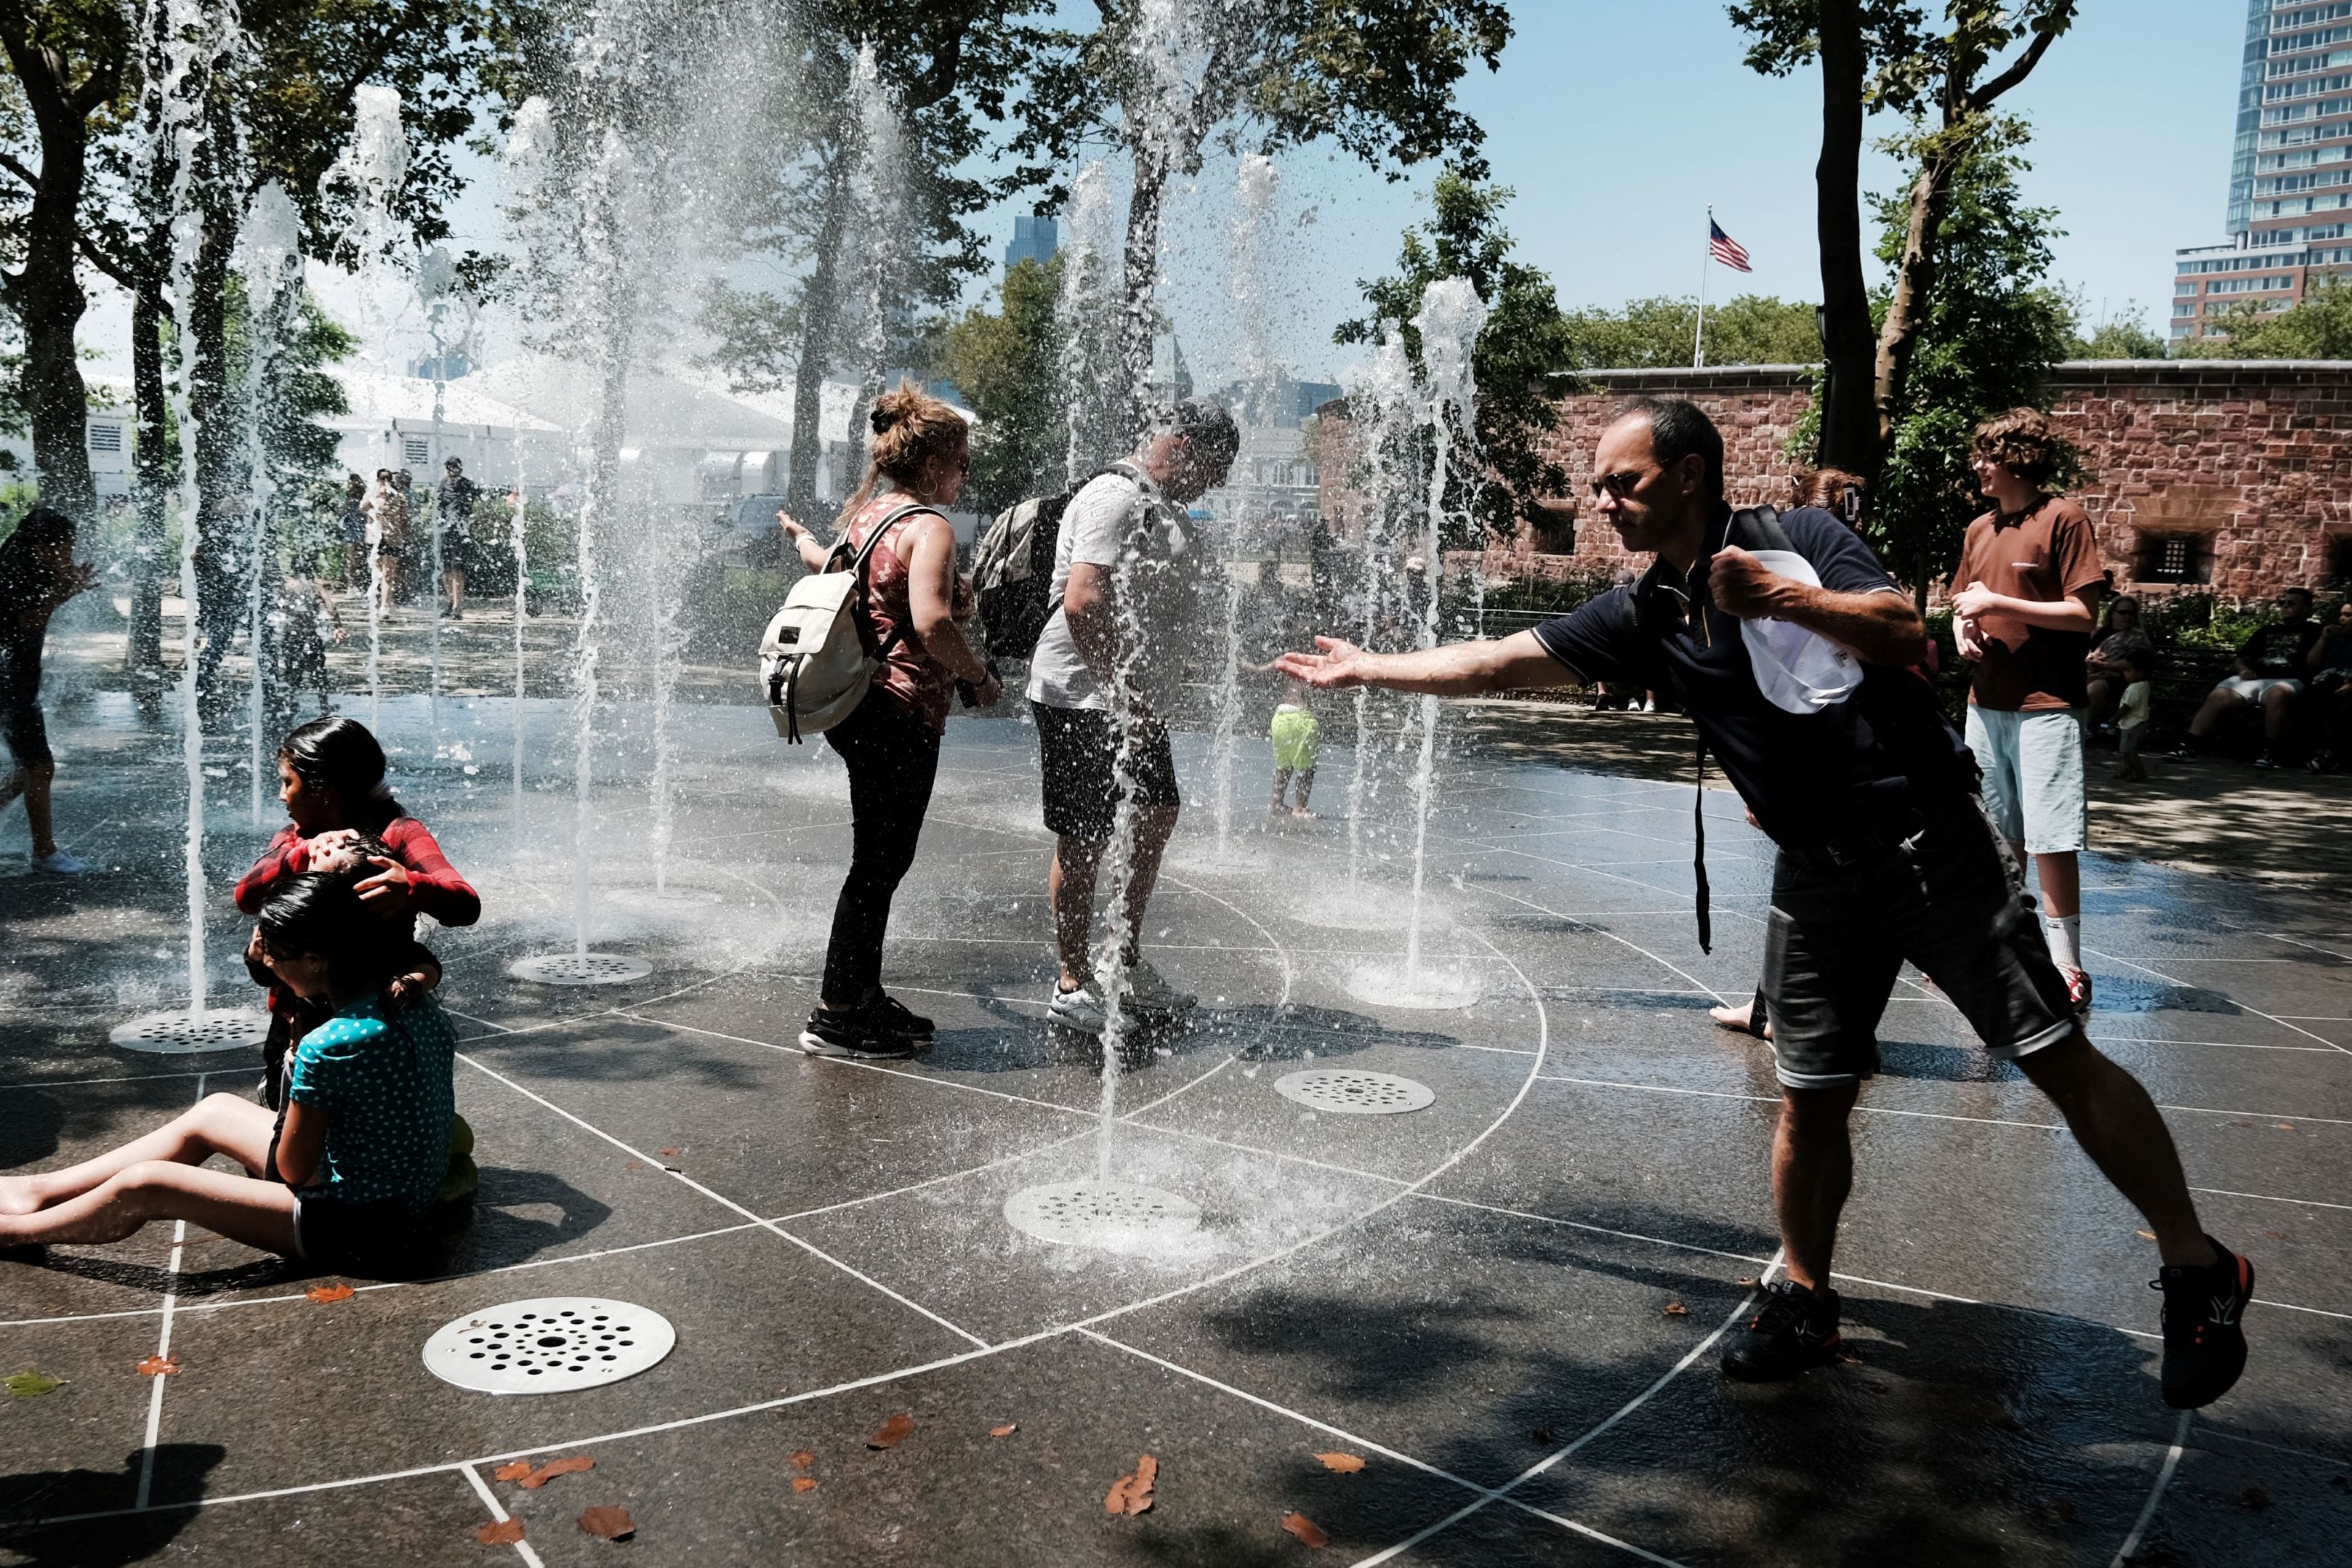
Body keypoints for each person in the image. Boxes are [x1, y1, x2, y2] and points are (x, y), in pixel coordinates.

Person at [1276, 397, 2255, 1408]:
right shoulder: (1645, 610)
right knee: (1811, 1090)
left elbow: (1898, 629)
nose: (1605, 500)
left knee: (2052, 1052)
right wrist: (1370, 671)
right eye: (1600, 485)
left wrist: (1779, 600)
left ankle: (2197, 1266)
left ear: (1692, 474)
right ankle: (1806, 1291)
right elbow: (1502, 660)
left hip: (1928, 842)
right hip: (1816, 872)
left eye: (1626, 481)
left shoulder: (1803, 539)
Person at [0, 858, 458, 1277]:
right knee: (216, 1111)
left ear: (316, 960)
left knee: (149, 1184)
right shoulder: (414, 1003)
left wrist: (297, 1063)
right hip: (407, 1191)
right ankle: (39, 1190)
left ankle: (17, 1232)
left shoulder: (329, 1044)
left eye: (275, 953)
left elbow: (294, 1170)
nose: (270, 963)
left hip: (357, 1226)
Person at [777, 381, 1000, 1059]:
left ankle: (863, 995)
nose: (964, 477)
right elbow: (930, 619)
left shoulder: (868, 516)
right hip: (902, 712)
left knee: (879, 860)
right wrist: (980, 675)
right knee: (877, 866)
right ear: (934, 463)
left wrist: (803, 540)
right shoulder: (927, 527)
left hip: (860, 707)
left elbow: (832, 567)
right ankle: (837, 1012)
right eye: (962, 463)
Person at [1026, 397, 1239, 1034]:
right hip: (1084, 696)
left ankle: (1123, 960)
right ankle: (1071, 982)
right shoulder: (1115, 498)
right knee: (1086, 836)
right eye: (1216, 466)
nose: (1219, 483)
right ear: (1181, 444)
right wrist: (1125, 696)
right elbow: (1084, 603)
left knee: (1156, 811)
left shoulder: (1160, 504)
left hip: (1130, 700)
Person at [235, 716, 480, 1109]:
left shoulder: (398, 832)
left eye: (287, 782)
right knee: (287, 1113)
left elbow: (465, 903)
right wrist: (303, 853)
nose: (282, 796)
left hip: (375, 1018)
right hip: (295, 1018)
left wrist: (412, 886)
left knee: (365, 1120)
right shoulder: (292, 840)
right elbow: (246, 895)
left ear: (324, 789)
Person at [1949, 408, 2104, 1017]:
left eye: (1987, 455)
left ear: (2017, 458)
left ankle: (2067, 965)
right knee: (1994, 836)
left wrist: (1996, 600)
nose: (1978, 467)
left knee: (2050, 837)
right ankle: (2001, 950)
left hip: (2047, 706)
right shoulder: (1978, 529)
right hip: (1985, 702)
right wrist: (1965, 628)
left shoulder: (2063, 517)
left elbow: (2083, 614)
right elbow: (1965, 603)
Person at [0, 507, 95, 874]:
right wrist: (63, 589)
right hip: (9, 686)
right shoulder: (16, 573)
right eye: (65, 547)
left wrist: (66, 588)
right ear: (43, 546)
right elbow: (30, 619)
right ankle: (45, 853)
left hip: (16, 682)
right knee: (39, 767)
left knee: (30, 768)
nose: (69, 554)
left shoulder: (24, 564)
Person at [2173, 586, 2323, 769]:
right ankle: (2188, 746)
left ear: (2307, 608)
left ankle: (2270, 753)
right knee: (2218, 696)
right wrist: (2243, 670)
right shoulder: (2267, 630)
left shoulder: (2317, 631)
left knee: (2278, 694)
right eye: (2281, 602)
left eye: (2291, 603)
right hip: (2256, 679)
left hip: (2290, 680)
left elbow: (2314, 664)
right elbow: (2242, 658)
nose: (2284, 607)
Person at [2084, 594, 2154, 733]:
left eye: (2132, 614)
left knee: (2097, 687)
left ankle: (2084, 728)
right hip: (2090, 672)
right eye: (2123, 613)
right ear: (2112, 613)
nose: (2127, 617)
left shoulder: (2137, 636)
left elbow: (2136, 664)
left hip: (2118, 679)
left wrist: (2103, 665)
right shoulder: (2101, 632)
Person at [2305, 599, 2352, 772]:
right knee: (2312, 699)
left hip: (2347, 684)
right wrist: (2323, 639)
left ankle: (2332, 754)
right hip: (2326, 682)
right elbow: (2312, 663)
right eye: (2341, 614)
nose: (2342, 619)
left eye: (2348, 615)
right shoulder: (2334, 638)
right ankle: (2320, 752)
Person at [436, 457, 479, 619]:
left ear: (459, 468)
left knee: (457, 569)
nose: (452, 469)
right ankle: (451, 601)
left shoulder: (466, 484)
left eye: (454, 467)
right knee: (447, 570)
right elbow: (437, 505)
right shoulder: (442, 484)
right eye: (449, 466)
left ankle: (457, 606)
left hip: (460, 531)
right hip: (444, 530)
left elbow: (475, 499)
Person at [2112, 650, 2154, 782]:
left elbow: (2127, 706)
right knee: (2127, 749)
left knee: (2129, 750)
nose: (2125, 673)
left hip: (2132, 724)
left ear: (2140, 673)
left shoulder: (2134, 688)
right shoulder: (2144, 685)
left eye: (2128, 671)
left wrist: (2114, 719)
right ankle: (2127, 770)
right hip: (2139, 722)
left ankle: (2140, 772)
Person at [337, 474, 369, 592]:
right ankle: (350, 585)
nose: (355, 486)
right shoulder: (345, 496)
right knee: (351, 559)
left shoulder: (365, 495)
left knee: (361, 559)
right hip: (350, 530)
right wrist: (348, 502)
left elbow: (370, 511)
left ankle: (360, 584)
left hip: (363, 530)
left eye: (357, 483)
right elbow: (340, 512)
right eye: (352, 483)